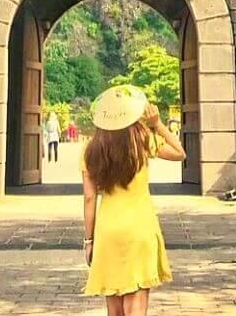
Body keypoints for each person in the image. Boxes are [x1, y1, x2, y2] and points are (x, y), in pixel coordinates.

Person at [81, 85, 186, 315]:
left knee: (115, 310)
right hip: (140, 228)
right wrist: (157, 124)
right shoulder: (142, 140)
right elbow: (179, 153)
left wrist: (89, 241)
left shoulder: (91, 149)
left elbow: (89, 198)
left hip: (108, 232)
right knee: (136, 306)